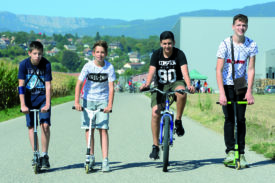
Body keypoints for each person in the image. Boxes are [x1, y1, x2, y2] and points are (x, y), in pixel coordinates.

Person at [140, 31, 195, 160]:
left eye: (169, 43)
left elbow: (185, 72)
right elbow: (151, 71)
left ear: (174, 43)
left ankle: (178, 120)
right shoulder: (156, 54)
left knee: (181, 92)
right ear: (161, 44)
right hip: (160, 85)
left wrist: (189, 85)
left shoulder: (179, 54)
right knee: (155, 113)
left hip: (176, 82)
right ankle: (155, 146)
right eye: (164, 44)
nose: (167, 46)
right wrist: (147, 84)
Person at [216, 14, 258, 168]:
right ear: (233, 26)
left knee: (240, 119)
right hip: (227, 84)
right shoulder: (225, 44)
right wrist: (221, 93)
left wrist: (249, 92)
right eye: (239, 25)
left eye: (244, 25)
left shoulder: (251, 44)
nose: (241, 28)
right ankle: (230, 152)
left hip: (241, 84)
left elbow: (251, 69)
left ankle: (241, 152)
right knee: (229, 118)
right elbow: (219, 70)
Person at [74, 40, 115, 172]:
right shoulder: (88, 66)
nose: (100, 54)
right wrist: (77, 102)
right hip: (88, 100)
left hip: (102, 101)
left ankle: (105, 160)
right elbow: (79, 84)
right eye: (97, 52)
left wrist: (109, 105)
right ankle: (90, 156)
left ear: (106, 54)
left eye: (102, 52)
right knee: (89, 128)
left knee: (103, 129)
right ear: (93, 53)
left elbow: (111, 87)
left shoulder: (109, 67)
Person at [18, 41, 52, 169]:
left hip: (43, 98)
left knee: (45, 126)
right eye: (35, 54)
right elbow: (21, 86)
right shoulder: (23, 65)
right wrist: (23, 105)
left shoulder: (46, 64)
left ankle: (44, 155)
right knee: (31, 127)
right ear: (29, 53)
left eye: (40, 54)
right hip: (29, 100)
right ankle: (35, 154)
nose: (37, 56)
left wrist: (47, 103)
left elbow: (48, 85)